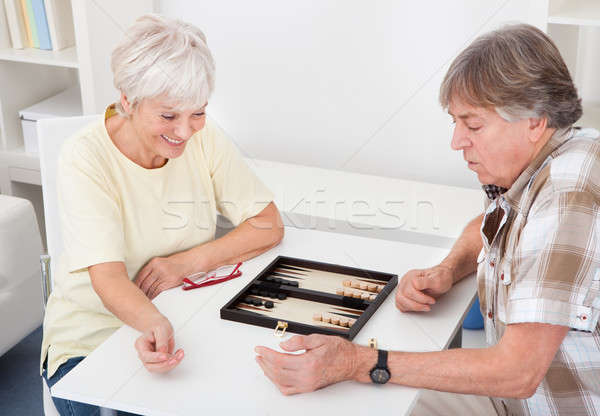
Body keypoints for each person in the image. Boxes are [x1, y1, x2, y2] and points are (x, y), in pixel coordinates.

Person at [255, 23, 600, 415]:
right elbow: (491, 225)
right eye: (455, 123)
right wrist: (448, 269)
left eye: (473, 125)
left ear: (535, 120)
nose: (457, 141)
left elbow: (518, 372)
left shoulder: (568, 189)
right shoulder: (538, 165)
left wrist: (358, 362)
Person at [41, 14, 284, 415]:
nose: (186, 131)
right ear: (127, 100)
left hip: (188, 317)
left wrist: (183, 263)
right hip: (92, 336)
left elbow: (267, 223)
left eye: (198, 112)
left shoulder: (204, 138)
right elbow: (108, 278)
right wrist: (154, 324)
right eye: (169, 116)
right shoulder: (85, 157)